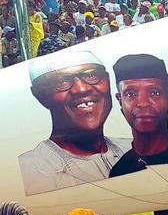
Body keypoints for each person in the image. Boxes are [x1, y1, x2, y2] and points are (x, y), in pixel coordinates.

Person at [18, 51, 129, 195]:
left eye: (91, 76)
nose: (82, 89)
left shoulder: (132, 149)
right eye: (61, 82)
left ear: (107, 81)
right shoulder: (34, 167)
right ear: (39, 95)